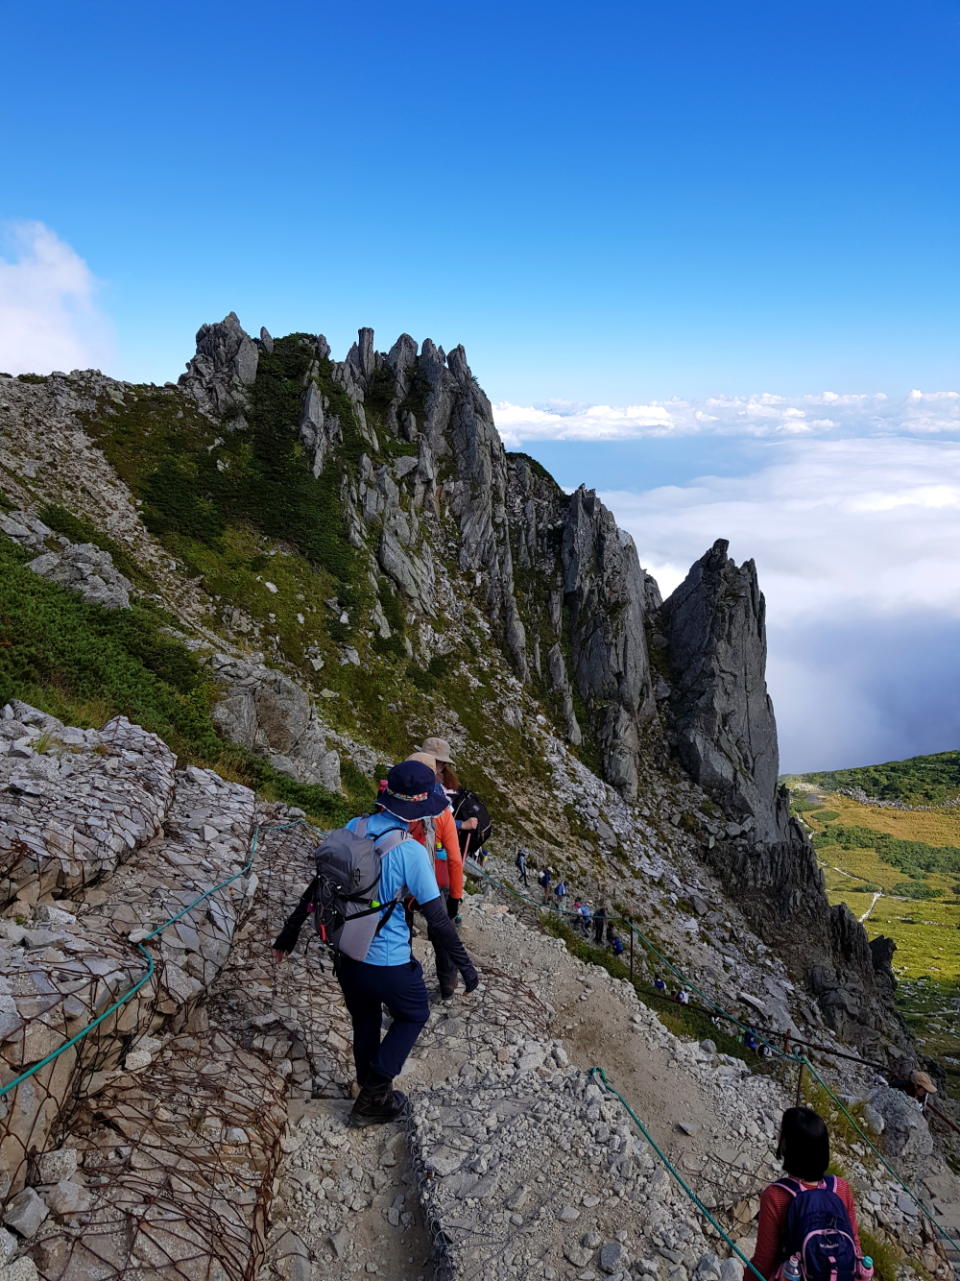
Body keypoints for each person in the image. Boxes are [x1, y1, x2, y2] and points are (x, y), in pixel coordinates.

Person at [272, 760, 479, 1127]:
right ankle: (373, 1095)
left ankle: (367, 1084)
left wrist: (289, 933)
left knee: (364, 1020)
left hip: (348, 956)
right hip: (389, 960)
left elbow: (317, 888)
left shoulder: (355, 827)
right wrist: (465, 966)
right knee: (414, 1013)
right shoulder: (410, 851)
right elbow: (438, 920)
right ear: (417, 811)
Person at [747, 1106, 863, 1281]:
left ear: (788, 1147)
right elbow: (854, 1246)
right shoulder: (841, 1187)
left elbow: (764, 1260)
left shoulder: (775, 1196)